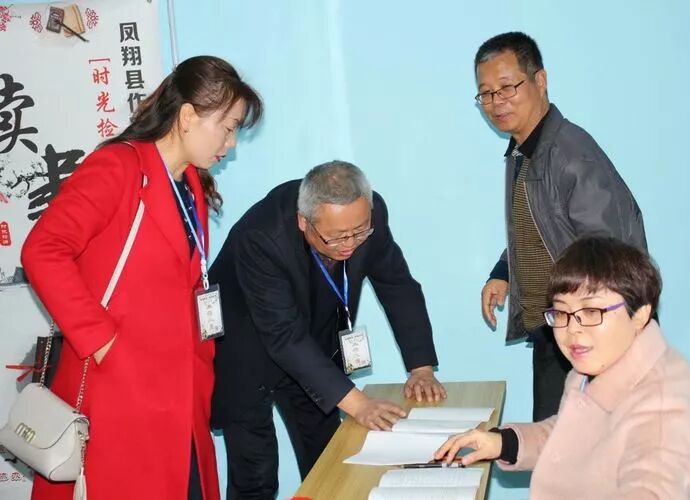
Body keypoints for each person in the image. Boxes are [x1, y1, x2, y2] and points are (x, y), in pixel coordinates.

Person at [21, 55, 263, 500]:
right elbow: (43, 249)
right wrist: (101, 340)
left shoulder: (191, 184)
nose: (230, 144)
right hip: (120, 386)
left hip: (180, 391)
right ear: (187, 116)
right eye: (228, 127)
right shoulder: (119, 167)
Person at [210, 160, 446, 499]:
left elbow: (398, 285)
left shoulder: (369, 213)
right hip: (247, 349)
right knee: (256, 474)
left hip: (312, 349)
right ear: (303, 222)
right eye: (335, 237)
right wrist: (360, 404)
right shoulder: (262, 236)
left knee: (329, 462)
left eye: (359, 232)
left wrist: (421, 367)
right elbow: (283, 334)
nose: (349, 244)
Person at [436, 236, 690, 499]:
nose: (572, 329)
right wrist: (502, 443)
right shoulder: (593, 368)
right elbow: (570, 435)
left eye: (591, 311)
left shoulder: (663, 404)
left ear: (639, 314)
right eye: (562, 312)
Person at [475, 32, 648, 421]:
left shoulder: (571, 155)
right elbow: (542, 228)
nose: (496, 102)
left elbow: (612, 258)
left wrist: (595, 341)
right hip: (557, 332)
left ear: (540, 80)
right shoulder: (526, 151)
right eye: (485, 94)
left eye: (507, 87)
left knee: (580, 449)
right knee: (554, 445)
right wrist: (504, 271)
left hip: (592, 339)